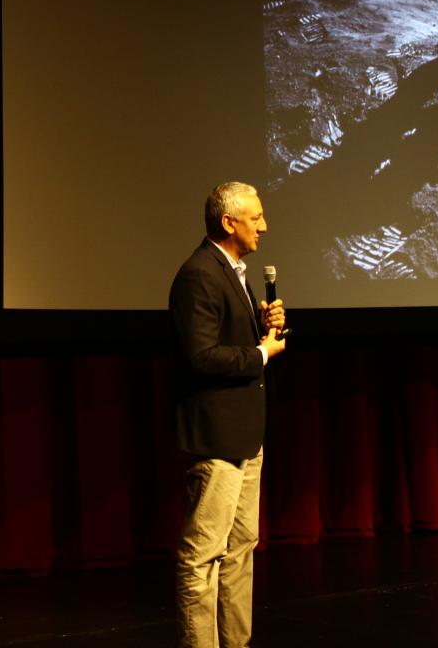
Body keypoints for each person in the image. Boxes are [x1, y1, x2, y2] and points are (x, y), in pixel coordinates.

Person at [169, 181, 287, 648]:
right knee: (203, 556)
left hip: (245, 436)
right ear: (229, 222)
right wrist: (261, 352)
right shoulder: (199, 273)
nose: (264, 225)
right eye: (256, 217)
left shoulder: (233, 270)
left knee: (240, 550)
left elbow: (227, 339)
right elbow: (200, 356)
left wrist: (261, 324)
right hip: (216, 439)